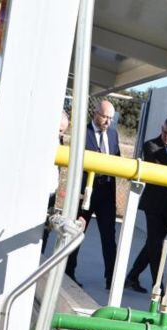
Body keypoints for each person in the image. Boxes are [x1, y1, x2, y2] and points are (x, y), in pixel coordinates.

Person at [126, 117, 167, 292]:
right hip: (153, 204)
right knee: (156, 245)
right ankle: (158, 286)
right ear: (161, 128)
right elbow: (158, 169)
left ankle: (132, 276)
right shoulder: (151, 146)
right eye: (165, 132)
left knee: (153, 243)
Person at [70, 100, 121, 288]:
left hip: (107, 195)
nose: (108, 121)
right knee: (77, 232)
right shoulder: (82, 134)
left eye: (111, 118)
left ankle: (111, 279)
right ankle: (69, 272)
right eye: (105, 117)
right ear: (96, 114)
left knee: (109, 237)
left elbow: (118, 162)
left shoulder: (114, 136)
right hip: (85, 194)